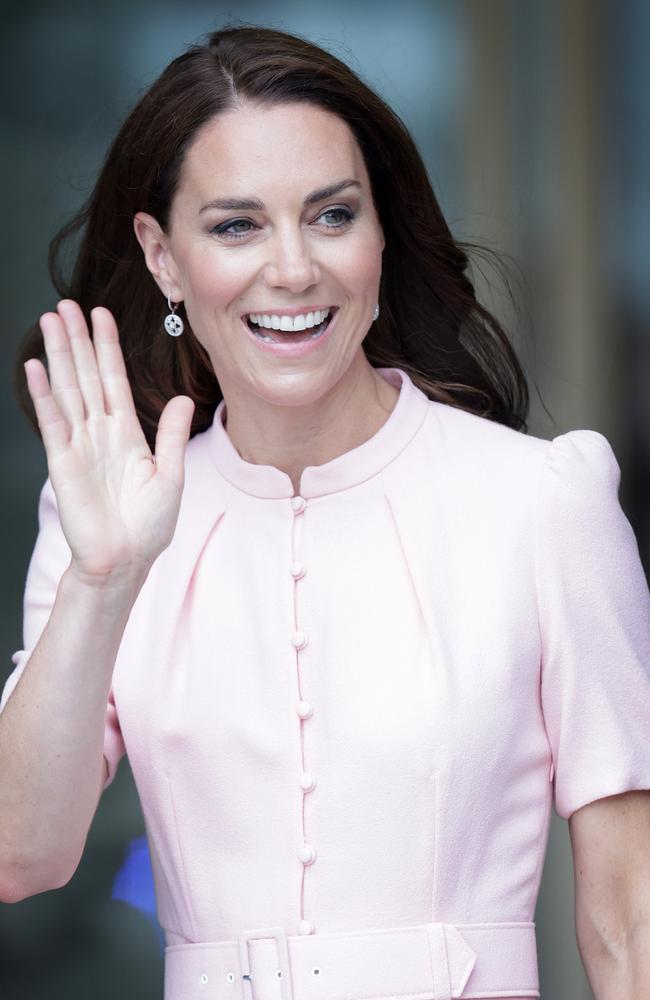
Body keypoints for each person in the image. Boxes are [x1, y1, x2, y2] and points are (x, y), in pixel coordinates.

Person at [1, 22, 649, 1000]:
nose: (293, 268)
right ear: (163, 258)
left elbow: (627, 918)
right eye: (235, 225)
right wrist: (101, 580)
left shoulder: (541, 502)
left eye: (331, 215)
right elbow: (21, 855)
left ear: (379, 233)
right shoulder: (107, 521)